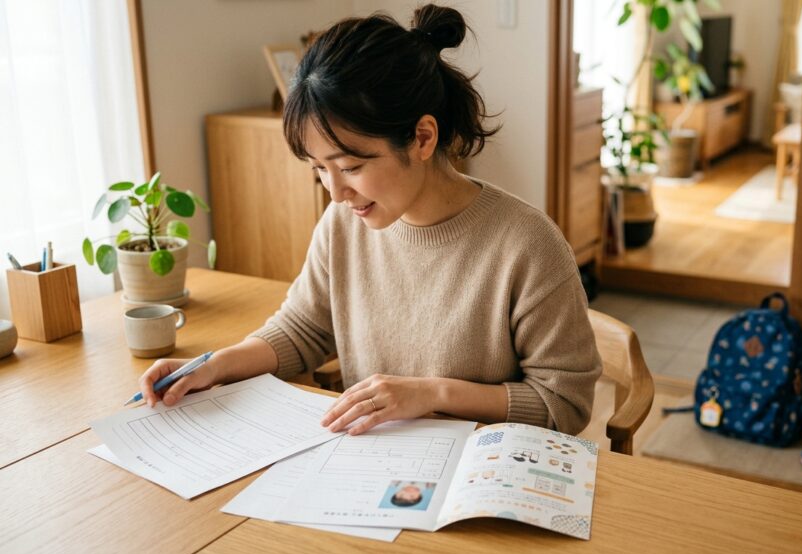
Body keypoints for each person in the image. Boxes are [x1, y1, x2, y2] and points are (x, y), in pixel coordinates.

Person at [137, 4, 601, 436]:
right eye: (319, 169)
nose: (336, 193)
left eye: (351, 167)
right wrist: (214, 365)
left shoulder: (526, 243)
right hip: (369, 469)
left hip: (479, 481)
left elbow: (565, 402)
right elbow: (303, 330)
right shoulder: (345, 224)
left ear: (422, 138)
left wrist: (432, 393)